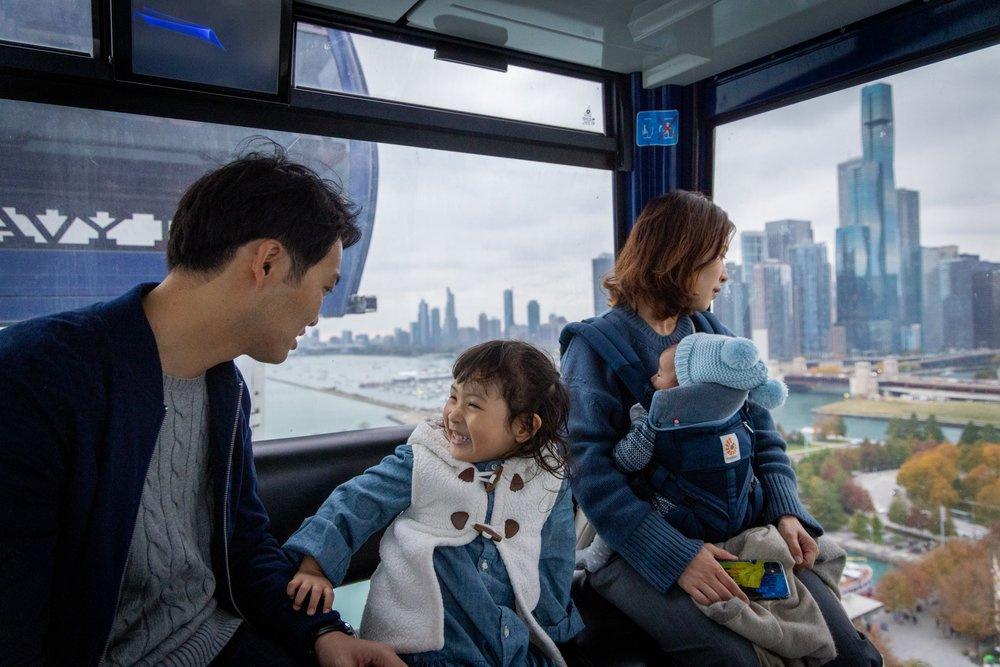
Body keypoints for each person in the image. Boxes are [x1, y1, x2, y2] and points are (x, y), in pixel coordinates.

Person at [0, 144, 403, 666]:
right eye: (324, 288)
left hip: (217, 641)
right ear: (267, 262)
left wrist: (323, 634)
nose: (316, 315)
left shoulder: (224, 389)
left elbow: (245, 546)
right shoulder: (38, 375)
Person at [560, 190, 882, 665]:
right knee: (738, 661)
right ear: (680, 259)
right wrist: (677, 557)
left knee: (849, 655)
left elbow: (764, 437)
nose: (725, 275)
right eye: (717, 259)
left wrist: (786, 511)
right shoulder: (593, 349)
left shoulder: (713, 336)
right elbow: (589, 475)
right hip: (634, 544)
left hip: (736, 531)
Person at [283, 341, 584, 666]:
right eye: (453, 397)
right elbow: (357, 502)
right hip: (423, 644)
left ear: (524, 426)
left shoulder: (547, 478)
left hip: (506, 643)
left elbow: (555, 557)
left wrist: (554, 630)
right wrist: (315, 567)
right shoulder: (425, 459)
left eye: (473, 405)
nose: (453, 414)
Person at [575, 333, 787, 573]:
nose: (652, 377)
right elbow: (765, 443)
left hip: (683, 522)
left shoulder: (656, 416)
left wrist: (640, 425)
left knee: (632, 490)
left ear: (680, 385)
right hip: (745, 515)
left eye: (659, 373)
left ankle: (597, 555)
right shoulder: (736, 405)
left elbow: (628, 461)